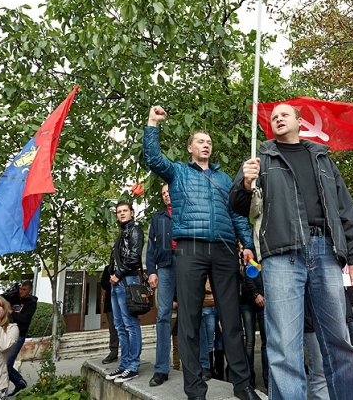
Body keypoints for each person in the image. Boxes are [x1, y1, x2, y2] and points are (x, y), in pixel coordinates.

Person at [230, 103, 353, 400]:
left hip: (326, 253)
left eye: (284, 114)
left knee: (341, 342)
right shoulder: (260, 160)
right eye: (274, 116)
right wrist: (244, 182)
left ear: (299, 121)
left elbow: (346, 210)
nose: (278, 118)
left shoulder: (322, 158)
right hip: (281, 254)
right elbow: (238, 206)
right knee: (283, 347)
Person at [144, 106, 259, 400]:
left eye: (209, 142)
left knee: (231, 321)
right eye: (200, 141)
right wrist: (153, 123)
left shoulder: (223, 179)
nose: (206, 145)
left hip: (223, 251)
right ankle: (195, 390)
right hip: (190, 249)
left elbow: (237, 214)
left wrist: (247, 244)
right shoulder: (178, 171)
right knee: (190, 321)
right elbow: (153, 158)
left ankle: (243, 386)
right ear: (190, 147)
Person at [105, 201, 144, 384]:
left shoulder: (135, 230)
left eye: (124, 211)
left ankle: (133, 365)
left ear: (132, 213)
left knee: (130, 324)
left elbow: (134, 257)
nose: (121, 214)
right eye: (119, 211)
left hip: (127, 280)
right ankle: (125, 364)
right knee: (120, 326)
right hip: (116, 283)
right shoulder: (122, 234)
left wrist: (118, 274)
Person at [146, 184, 177, 387]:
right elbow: (151, 246)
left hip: (188, 265)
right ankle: (161, 370)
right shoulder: (157, 218)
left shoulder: (187, 211)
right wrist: (151, 271)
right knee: (163, 315)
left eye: (169, 192)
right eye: (163, 193)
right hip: (165, 267)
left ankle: (203, 366)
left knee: (195, 314)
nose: (167, 196)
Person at [3, 281, 38, 396]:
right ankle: (19, 382)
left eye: (24, 290)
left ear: (30, 290)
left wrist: (11, 311)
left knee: (7, 363)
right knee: (3, 362)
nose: (21, 291)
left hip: (19, 334)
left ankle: (2, 390)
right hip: (6, 332)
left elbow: (25, 319)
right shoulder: (15, 298)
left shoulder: (31, 302)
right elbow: (2, 299)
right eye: (20, 289)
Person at [240, 263, 267, 390]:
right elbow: (247, 274)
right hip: (247, 299)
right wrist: (256, 294)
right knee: (250, 340)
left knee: (266, 340)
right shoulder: (249, 250)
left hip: (263, 297)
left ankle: (267, 377)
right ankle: (249, 376)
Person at [100, 269, 119, 364]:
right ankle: (113, 353)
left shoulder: (124, 267)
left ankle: (128, 353)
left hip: (124, 302)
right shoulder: (108, 269)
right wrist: (113, 283)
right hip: (110, 304)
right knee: (113, 328)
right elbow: (103, 283)